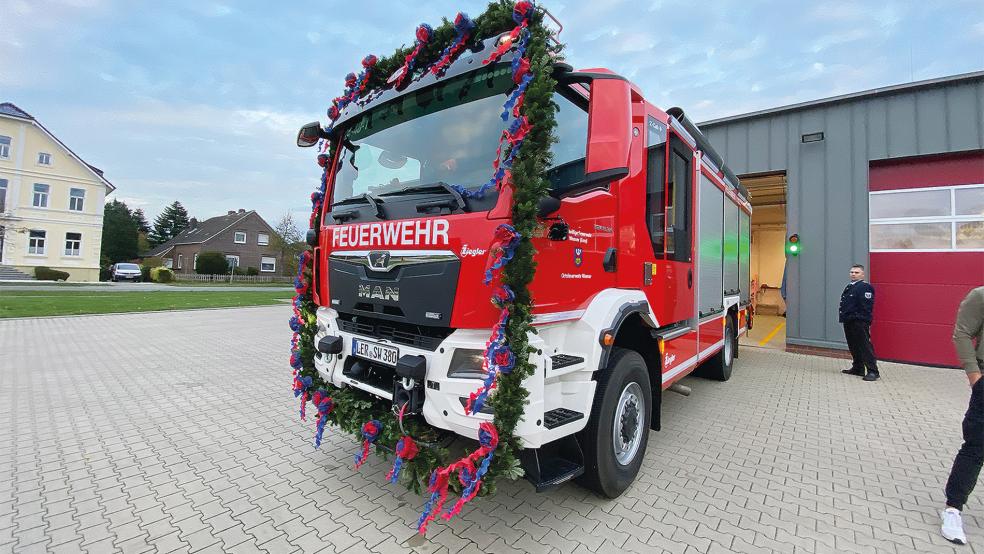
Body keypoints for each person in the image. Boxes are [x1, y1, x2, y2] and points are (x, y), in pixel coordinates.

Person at [941, 286, 984, 545]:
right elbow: (962, 334)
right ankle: (953, 508)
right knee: (976, 447)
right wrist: (975, 378)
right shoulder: (980, 296)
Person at [839, 264, 879, 381]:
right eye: (852, 272)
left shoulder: (865, 287)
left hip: (859, 321)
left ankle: (873, 371)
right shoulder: (850, 286)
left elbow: (866, 306)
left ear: (862, 274)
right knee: (853, 345)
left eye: (856, 272)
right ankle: (858, 368)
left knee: (864, 346)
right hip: (849, 320)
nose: (853, 274)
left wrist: (859, 319)